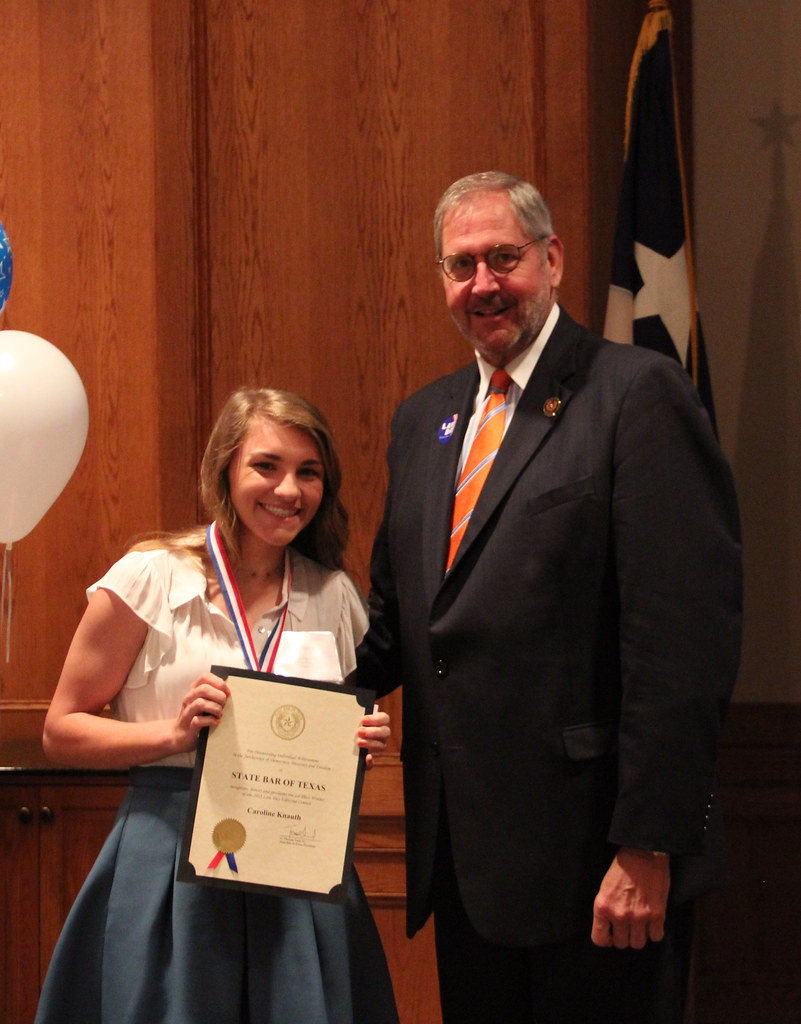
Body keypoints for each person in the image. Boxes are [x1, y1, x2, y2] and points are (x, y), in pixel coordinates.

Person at [357, 171, 742, 1024]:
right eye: (462, 266)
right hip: (463, 861)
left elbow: (682, 643)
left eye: (504, 258)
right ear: (441, 282)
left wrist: (647, 840)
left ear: (553, 258)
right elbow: (396, 621)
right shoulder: (423, 421)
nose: (483, 285)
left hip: (595, 864)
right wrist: (259, 679)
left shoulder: (635, 394)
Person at [35, 387, 400, 1024]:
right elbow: (60, 732)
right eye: (266, 465)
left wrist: (359, 744)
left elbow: (324, 746)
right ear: (224, 470)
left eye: (308, 472)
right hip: (170, 854)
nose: (288, 489)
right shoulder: (149, 577)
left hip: (297, 861)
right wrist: (173, 734)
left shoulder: (335, 595)